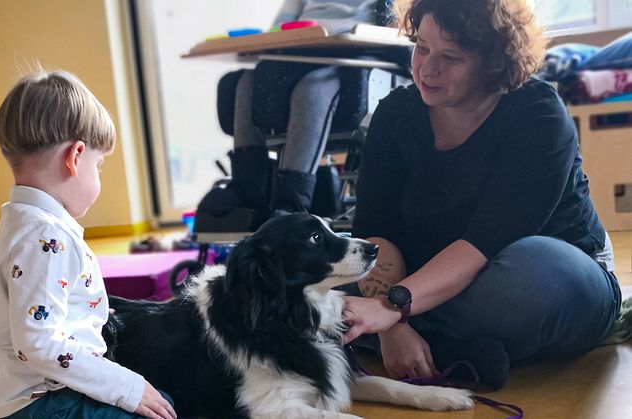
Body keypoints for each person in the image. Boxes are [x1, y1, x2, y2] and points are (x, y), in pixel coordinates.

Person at [341, 0, 622, 390]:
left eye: (450, 57)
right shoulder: (394, 116)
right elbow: (375, 232)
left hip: (532, 273)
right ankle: (450, 350)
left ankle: (381, 335)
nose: (427, 68)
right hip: (426, 283)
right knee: (313, 276)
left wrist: (391, 309)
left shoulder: (538, 114)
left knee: (539, 277)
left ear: (494, 62)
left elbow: (484, 242)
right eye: (421, 47)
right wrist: (392, 325)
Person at [0, 70, 177, 419]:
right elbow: (38, 343)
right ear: (75, 157)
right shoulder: (44, 237)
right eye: (99, 165)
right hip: (39, 404)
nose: (99, 175)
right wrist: (126, 385)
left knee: (164, 401)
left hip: (33, 396)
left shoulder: (23, 222)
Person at [196, 0, 393, 226]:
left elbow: (398, 27)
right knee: (246, 83)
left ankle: (291, 204)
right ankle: (247, 194)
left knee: (312, 88)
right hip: (303, 54)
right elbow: (279, 29)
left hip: (355, 58)